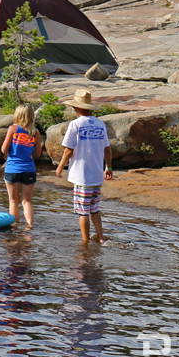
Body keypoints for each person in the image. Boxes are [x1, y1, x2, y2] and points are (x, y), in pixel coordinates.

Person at [54, 89, 113, 244]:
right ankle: (100, 238)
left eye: (74, 107)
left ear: (78, 107)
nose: (73, 109)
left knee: (83, 212)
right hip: (97, 175)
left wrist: (60, 166)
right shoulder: (100, 124)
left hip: (82, 175)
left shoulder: (75, 124)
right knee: (94, 208)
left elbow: (69, 149)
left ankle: (85, 242)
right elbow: (107, 148)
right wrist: (109, 167)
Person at [0, 105, 43, 228]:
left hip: (12, 168)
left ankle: (14, 226)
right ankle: (29, 226)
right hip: (29, 170)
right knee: (27, 201)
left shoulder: (13, 129)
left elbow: (4, 149)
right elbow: (37, 154)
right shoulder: (36, 133)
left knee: (13, 201)